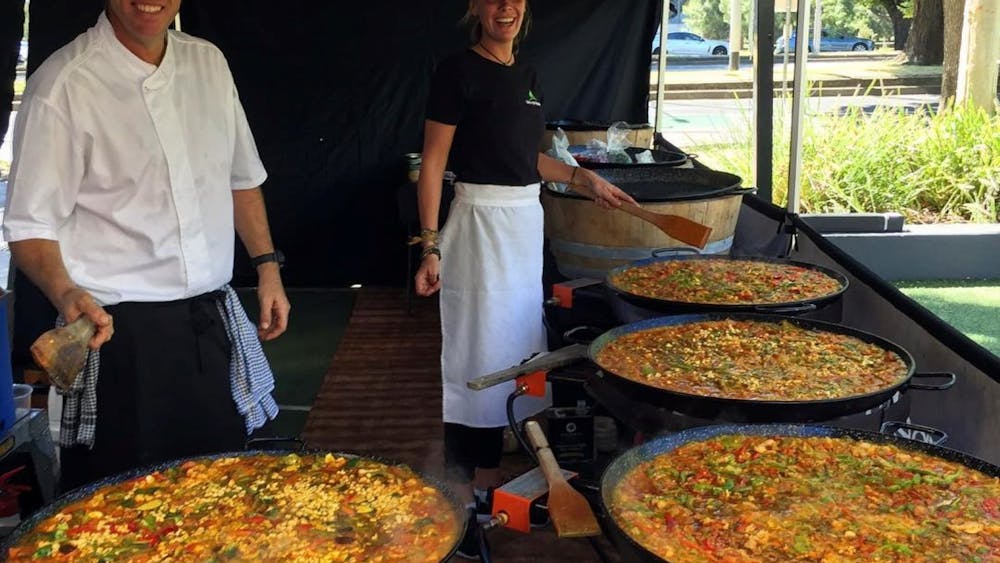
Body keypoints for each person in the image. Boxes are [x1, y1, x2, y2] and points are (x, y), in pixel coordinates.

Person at [2, 0, 290, 491]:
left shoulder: (208, 64)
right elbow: (29, 225)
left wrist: (267, 267)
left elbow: (240, 179)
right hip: (116, 337)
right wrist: (64, 291)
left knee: (220, 493)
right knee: (120, 506)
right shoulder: (65, 83)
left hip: (210, 325)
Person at [413, 0, 636, 557]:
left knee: (517, 352)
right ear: (475, 8)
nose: (504, 7)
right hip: (479, 225)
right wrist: (430, 245)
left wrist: (581, 179)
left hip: (522, 225)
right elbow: (434, 162)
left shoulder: (528, 75)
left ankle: (490, 492)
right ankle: (464, 498)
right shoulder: (456, 71)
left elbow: (527, 159)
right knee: (476, 359)